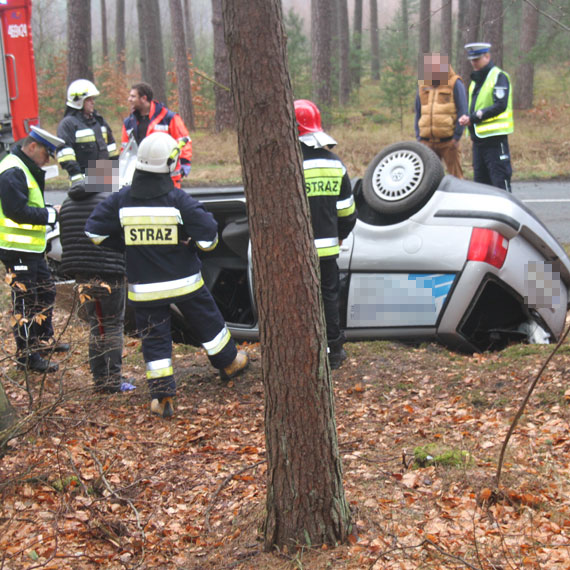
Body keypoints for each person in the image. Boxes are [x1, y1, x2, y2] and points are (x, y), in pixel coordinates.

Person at [85, 132, 248, 418]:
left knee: (155, 339)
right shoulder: (177, 200)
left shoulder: (122, 200)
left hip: (145, 289)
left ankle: (163, 398)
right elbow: (209, 237)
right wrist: (190, 241)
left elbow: (94, 232)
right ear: (169, 164)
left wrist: (126, 244)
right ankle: (229, 363)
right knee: (209, 323)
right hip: (185, 282)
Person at [58, 159, 134, 394]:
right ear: (108, 179)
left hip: (82, 273)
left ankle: (100, 377)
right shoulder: (112, 200)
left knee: (96, 323)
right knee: (112, 324)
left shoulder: (68, 201)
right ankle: (112, 380)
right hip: (110, 270)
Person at [293, 99, 357, 370]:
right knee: (329, 295)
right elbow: (347, 212)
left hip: (295, 251)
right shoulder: (335, 164)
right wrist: (340, 234)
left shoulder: (287, 165)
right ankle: (334, 350)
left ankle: (300, 350)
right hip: (328, 249)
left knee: (297, 299)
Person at [0, 126, 69, 373]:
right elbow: (16, 211)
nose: (48, 161)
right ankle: (27, 355)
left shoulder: (22, 167)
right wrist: (51, 214)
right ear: (32, 147)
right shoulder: (13, 171)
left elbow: (28, 203)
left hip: (29, 249)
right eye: (46, 154)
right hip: (17, 249)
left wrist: (48, 209)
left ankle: (40, 341)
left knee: (46, 292)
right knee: (26, 301)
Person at [458, 42, 514, 192]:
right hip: (478, 141)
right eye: (472, 60)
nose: (473, 63)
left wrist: (474, 117)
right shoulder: (476, 80)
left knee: (500, 184)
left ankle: (504, 214)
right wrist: (468, 117)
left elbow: (500, 105)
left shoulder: (499, 77)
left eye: (477, 59)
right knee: (481, 187)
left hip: (495, 140)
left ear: (487, 56)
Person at [122, 82, 192, 188]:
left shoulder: (168, 118)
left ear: (143, 98)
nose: (129, 99)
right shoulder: (129, 123)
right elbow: (125, 151)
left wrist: (183, 166)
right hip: (140, 178)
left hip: (167, 179)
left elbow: (184, 142)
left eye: (133, 96)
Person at [56, 79, 119, 188]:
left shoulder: (99, 121)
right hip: (83, 185)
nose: (93, 102)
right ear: (78, 100)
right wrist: (79, 181)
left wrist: (116, 174)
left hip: (105, 181)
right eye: (89, 99)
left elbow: (112, 149)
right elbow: (65, 156)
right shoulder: (68, 124)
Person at [415, 52, 467, 178]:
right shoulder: (423, 86)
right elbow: (418, 112)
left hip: (449, 142)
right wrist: (419, 137)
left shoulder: (455, 83)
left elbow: (463, 110)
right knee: (427, 179)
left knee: (456, 178)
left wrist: (456, 137)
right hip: (426, 142)